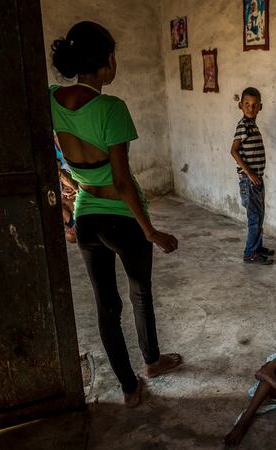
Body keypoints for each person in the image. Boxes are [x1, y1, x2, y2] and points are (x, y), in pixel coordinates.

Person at [49, 21, 182, 408]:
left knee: (106, 305)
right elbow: (123, 182)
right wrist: (150, 230)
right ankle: (153, 363)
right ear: (107, 62)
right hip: (122, 218)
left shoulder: (52, 97)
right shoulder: (111, 107)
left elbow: (48, 149)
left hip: (86, 216)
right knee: (139, 294)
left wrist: (66, 179)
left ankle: (128, 389)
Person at [230, 87, 274, 264]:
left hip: (256, 179)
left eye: (254, 105)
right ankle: (250, 253)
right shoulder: (243, 126)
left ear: (260, 107)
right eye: (247, 104)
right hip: (249, 180)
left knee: (259, 215)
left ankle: (257, 247)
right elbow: (233, 151)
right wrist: (248, 173)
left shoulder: (252, 125)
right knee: (254, 217)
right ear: (240, 105)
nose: (251, 108)